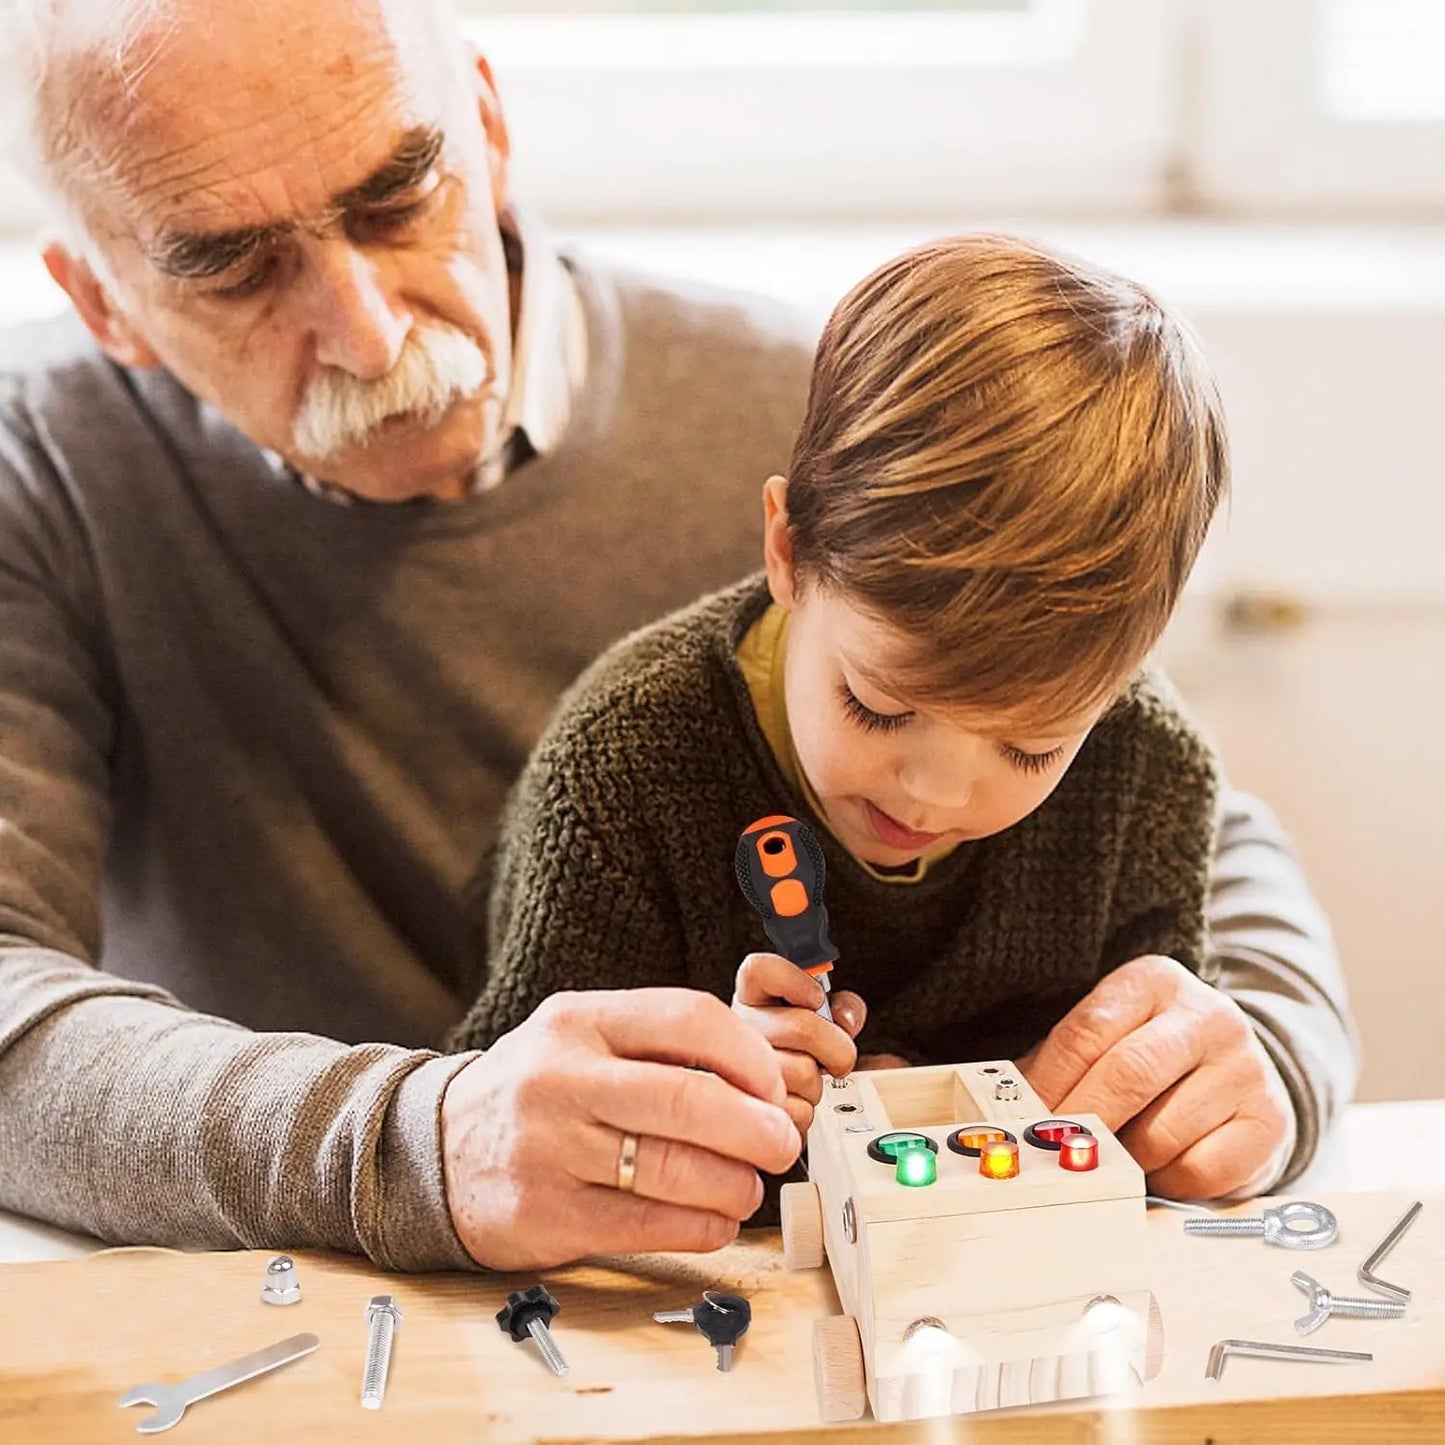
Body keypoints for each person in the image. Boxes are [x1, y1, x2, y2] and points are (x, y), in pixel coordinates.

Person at [0, 0, 1353, 1272]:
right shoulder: (43, 477)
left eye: (398, 195)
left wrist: (1268, 1050)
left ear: (489, 127)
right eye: (232, 266)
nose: (364, 330)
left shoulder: (813, 404)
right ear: (104, 295)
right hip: (295, 1308)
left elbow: (1167, 799)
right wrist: (419, 1142)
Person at [451, 234, 1350, 1211]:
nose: (932, 792)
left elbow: (1144, 1140)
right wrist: (718, 1105)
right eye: (877, 703)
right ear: (787, 547)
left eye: (1029, 744)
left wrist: (1165, 1117)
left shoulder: (1146, 773)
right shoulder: (620, 773)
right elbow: (507, 1137)